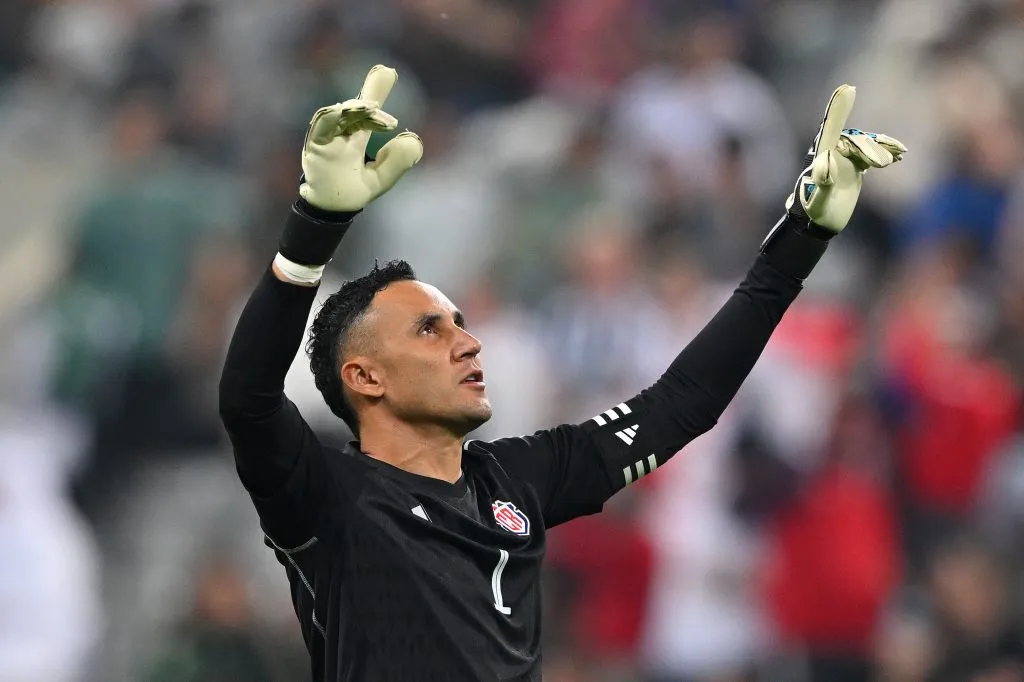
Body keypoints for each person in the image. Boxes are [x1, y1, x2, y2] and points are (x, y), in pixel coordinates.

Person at [218, 65, 906, 681]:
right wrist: (316, 224)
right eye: (430, 329)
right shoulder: (326, 492)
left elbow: (682, 403)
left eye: (460, 323)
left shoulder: (517, 479)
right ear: (366, 378)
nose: (466, 343)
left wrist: (799, 244)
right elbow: (247, 399)